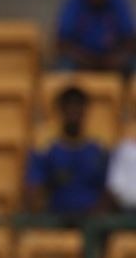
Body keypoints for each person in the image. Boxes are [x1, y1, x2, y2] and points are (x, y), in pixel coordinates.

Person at [25, 85, 112, 222]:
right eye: (68, 106)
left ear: (85, 110)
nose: (73, 111)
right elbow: (34, 187)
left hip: (92, 223)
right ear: (60, 110)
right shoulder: (45, 149)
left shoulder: (99, 149)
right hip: (56, 220)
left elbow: (110, 188)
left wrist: (96, 215)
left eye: (78, 106)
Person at [54, 0, 136, 74]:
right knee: (64, 67)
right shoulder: (74, 2)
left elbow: (131, 41)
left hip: (113, 59)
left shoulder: (118, 1)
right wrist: (87, 60)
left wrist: (117, 58)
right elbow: (62, 44)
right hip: (82, 59)